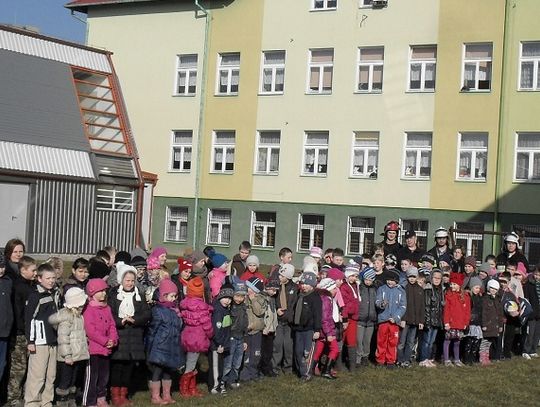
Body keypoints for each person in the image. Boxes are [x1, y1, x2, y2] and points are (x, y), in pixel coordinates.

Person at [108, 264, 151, 406]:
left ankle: (124, 394)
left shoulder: (139, 295)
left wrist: (136, 320)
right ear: (121, 280)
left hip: (134, 335)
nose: (130, 283)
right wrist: (121, 321)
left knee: (129, 367)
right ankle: (115, 395)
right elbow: (109, 314)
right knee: (117, 367)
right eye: (127, 280)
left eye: (132, 280)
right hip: (119, 335)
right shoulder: (114, 295)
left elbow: (146, 313)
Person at [24, 263, 61, 407]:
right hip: (39, 342)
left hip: (53, 340)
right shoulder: (35, 296)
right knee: (37, 376)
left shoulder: (56, 293)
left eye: (53, 278)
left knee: (50, 375)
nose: (51, 281)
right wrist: (31, 341)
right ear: (39, 279)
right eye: (48, 278)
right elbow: (29, 319)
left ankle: (46, 402)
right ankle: (32, 402)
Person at [49, 287, 89, 407]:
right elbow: (63, 338)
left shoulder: (79, 316)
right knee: (65, 381)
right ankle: (62, 402)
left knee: (73, 380)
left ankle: (71, 401)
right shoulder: (66, 317)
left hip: (77, 355)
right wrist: (67, 355)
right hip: (68, 357)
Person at [82, 278, 119, 407]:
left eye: (105, 290)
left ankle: (101, 397)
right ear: (92, 293)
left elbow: (112, 326)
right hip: (93, 349)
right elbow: (90, 331)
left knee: (104, 375)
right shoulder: (89, 309)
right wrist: (104, 341)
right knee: (92, 377)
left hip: (106, 349)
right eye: (100, 291)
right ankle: (90, 401)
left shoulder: (107, 308)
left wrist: (113, 340)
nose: (104, 293)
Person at [146, 279, 183, 405]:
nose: (174, 298)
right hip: (160, 346)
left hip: (171, 345)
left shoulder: (174, 310)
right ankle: (155, 396)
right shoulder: (158, 310)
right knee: (157, 371)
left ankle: (166, 394)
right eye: (172, 296)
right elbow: (152, 330)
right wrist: (149, 347)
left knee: (168, 371)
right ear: (164, 296)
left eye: (175, 296)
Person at [7, 255, 37, 406]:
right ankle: (13, 397)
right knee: (18, 368)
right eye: (33, 270)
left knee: (30, 367)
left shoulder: (32, 286)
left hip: (31, 333)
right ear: (23, 270)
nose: (35, 273)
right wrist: (22, 330)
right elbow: (19, 312)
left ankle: (27, 394)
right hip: (20, 333)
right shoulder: (19, 287)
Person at [179, 277, 213, 397]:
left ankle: (191, 388)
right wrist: (210, 335)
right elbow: (206, 324)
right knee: (191, 365)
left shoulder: (185, 304)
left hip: (187, 336)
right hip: (198, 339)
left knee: (191, 363)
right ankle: (185, 388)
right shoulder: (202, 307)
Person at [292, 272, 322, 381]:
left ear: (312, 285)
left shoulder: (315, 297)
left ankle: (306, 373)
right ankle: (300, 370)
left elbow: (318, 314)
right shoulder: (299, 295)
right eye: (302, 283)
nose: (304, 286)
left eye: (307, 284)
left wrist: (317, 330)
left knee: (307, 351)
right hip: (298, 328)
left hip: (309, 329)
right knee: (298, 351)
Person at [375, 270, 406, 368]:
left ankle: (390, 360)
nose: (390, 282)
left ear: (396, 281)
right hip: (383, 319)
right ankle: (380, 360)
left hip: (394, 321)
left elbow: (403, 306)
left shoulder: (401, 291)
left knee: (393, 341)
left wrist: (396, 317)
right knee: (381, 340)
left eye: (392, 280)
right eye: (388, 280)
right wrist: (382, 304)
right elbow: (377, 301)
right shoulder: (382, 289)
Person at [240, 277, 267, 382]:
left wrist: (253, 300)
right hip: (247, 331)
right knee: (246, 353)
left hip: (256, 331)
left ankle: (254, 372)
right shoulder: (244, 298)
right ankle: (245, 374)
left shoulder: (260, 299)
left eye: (250, 288)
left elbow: (259, 312)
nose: (248, 290)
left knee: (256, 353)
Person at [312, 278, 340, 379]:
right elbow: (325, 318)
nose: (336, 291)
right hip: (326, 330)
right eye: (334, 289)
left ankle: (311, 368)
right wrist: (329, 333)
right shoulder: (326, 300)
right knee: (335, 349)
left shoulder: (323, 298)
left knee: (318, 350)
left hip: (322, 330)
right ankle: (326, 370)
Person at [272, 264, 297, 375]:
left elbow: (294, 305)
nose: (280, 277)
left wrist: (289, 315)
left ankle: (288, 367)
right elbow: (273, 301)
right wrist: (277, 309)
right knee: (277, 344)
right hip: (278, 321)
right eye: (280, 275)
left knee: (288, 346)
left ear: (288, 277)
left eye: (282, 276)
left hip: (289, 322)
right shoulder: (276, 287)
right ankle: (275, 367)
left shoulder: (295, 289)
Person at [223, 282, 248, 389]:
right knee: (228, 361)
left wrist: (245, 339)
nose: (239, 299)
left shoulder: (244, 307)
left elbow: (245, 323)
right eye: (237, 296)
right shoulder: (229, 307)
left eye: (242, 296)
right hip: (231, 337)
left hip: (241, 337)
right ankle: (223, 381)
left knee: (237, 362)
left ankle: (232, 380)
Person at [208, 286, 233, 395]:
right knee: (215, 367)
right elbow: (216, 330)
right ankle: (215, 387)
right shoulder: (218, 311)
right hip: (217, 345)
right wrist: (219, 344)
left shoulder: (225, 309)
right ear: (220, 297)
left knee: (220, 365)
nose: (228, 300)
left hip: (223, 343)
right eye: (225, 297)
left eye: (230, 298)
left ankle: (219, 384)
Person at [397, 267, 424, 368]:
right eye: (410, 277)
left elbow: (422, 307)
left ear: (417, 277)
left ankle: (407, 359)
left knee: (410, 342)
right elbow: (402, 305)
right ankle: (399, 359)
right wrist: (402, 319)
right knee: (401, 342)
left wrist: (421, 321)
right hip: (405, 320)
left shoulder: (420, 290)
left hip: (415, 321)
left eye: (414, 277)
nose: (412, 279)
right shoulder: (404, 288)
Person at [443, 274, 471, 367]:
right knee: (447, 340)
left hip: (460, 323)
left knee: (457, 341)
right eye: (451, 284)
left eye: (454, 284)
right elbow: (446, 310)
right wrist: (446, 322)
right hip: (451, 323)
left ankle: (457, 359)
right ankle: (446, 360)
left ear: (459, 285)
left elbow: (467, 311)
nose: (452, 286)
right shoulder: (448, 295)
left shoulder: (465, 296)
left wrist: (466, 323)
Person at [419, 269, 444, 367]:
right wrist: (427, 321)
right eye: (435, 278)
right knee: (426, 341)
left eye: (439, 278)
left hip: (437, 320)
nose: (437, 280)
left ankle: (428, 358)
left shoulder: (440, 291)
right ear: (431, 278)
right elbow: (427, 307)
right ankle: (423, 359)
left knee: (431, 342)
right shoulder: (428, 290)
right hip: (429, 319)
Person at [340, 264, 360, 370]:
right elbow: (345, 304)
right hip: (346, 318)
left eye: (356, 276)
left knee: (352, 341)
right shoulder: (344, 287)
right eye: (352, 276)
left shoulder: (356, 286)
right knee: (341, 340)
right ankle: (338, 364)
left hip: (354, 318)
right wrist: (344, 318)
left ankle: (352, 366)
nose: (354, 278)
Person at [480, 280, 504, 365]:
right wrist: (484, 324)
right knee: (485, 342)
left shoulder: (498, 299)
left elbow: (500, 313)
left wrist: (500, 325)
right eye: (492, 288)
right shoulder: (485, 299)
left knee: (490, 341)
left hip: (495, 324)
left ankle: (487, 357)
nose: (493, 290)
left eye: (495, 289)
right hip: (488, 324)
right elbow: (483, 313)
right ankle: (483, 357)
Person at [356, 267, 377, 366]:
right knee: (359, 340)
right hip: (360, 318)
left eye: (370, 280)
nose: (368, 282)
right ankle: (358, 358)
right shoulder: (360, 288)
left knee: (367, 341)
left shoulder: (375, 289)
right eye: (366, 279)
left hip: (371, 319)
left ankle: (365, 357)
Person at [259, 279, 278, 377]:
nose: (275, 292)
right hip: (265, 330)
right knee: (264, 351)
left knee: (269, 351)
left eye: (276, 291)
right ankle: (263, 369)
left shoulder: (272, 299)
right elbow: (264, 315)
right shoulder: (263, 298)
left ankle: (267, 368)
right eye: (273, 290)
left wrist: (274, 327)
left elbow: (273, 315)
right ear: (267, 288)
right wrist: (265, 327)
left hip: (271, 329)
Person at [463, 277, 483, 365]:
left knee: (476, 341)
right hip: (471, 322)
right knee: (469, 341)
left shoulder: (479, 297)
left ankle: (473, 358)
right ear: (471, 287)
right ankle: (466, 358)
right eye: (476, 287)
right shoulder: (468, 297)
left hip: (478, 322)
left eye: (479, 288)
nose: (477, 290)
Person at [0, 254, 13, 382]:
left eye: (3, 266)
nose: (1, 270)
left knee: (2, 365)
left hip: (4, 331)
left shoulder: (8, 282)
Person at [523, 266, 540, 358]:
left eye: (539, 275)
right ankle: (526, 350)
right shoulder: (529, 285)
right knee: (530, 332)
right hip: (532, 313)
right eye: (536, 274)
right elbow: (526, 298)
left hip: (539, 313)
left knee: (537, 333)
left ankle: (533, 349)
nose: (537, 277)